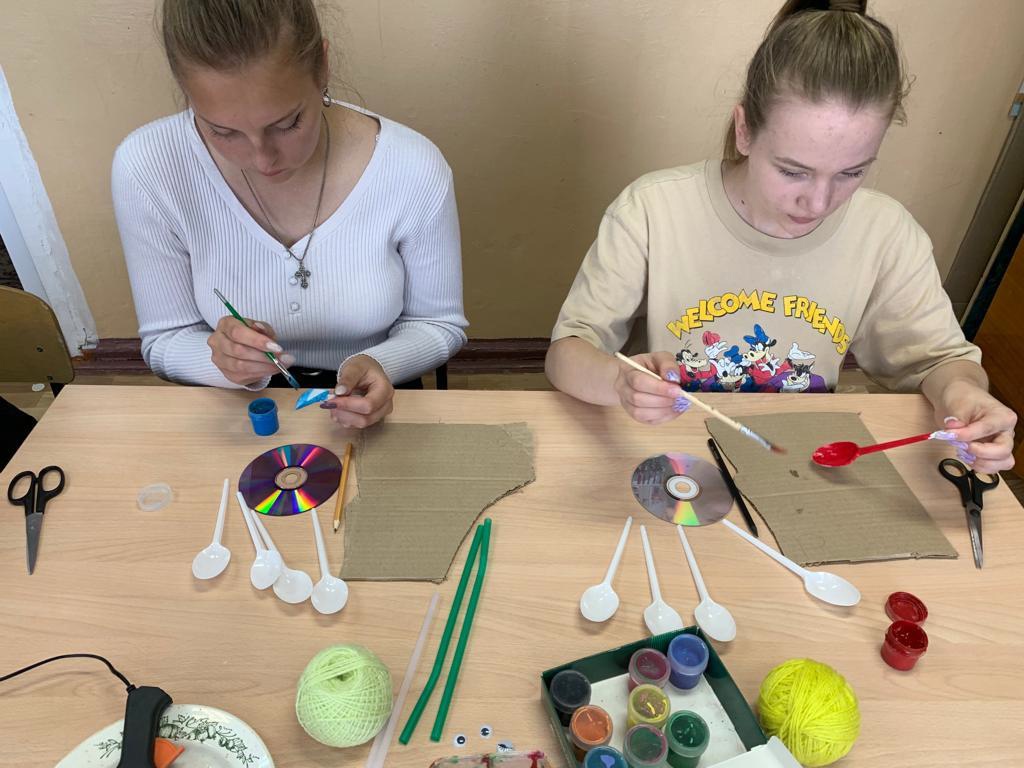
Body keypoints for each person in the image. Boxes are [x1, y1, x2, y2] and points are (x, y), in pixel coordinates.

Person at [545, 0, 1016, 473]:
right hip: (673, 454)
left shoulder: (887, 233)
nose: (819, 203)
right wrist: (620, 382)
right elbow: (567, 353)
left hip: (799, 462)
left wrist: (964, 395)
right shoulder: (652, 209)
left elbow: (939, 361)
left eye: (852, 172)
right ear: (745, 130)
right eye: (793, 171)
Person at [113, 0, 467, 429]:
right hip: (239, 409)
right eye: (222, 131)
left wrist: (381, 364)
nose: (262, 160)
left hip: (376, 399)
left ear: (322, 67)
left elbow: (437, 324)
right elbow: (165, 341)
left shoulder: (412, 167)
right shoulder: (148, 167)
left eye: (287, 124)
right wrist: (219, 359)